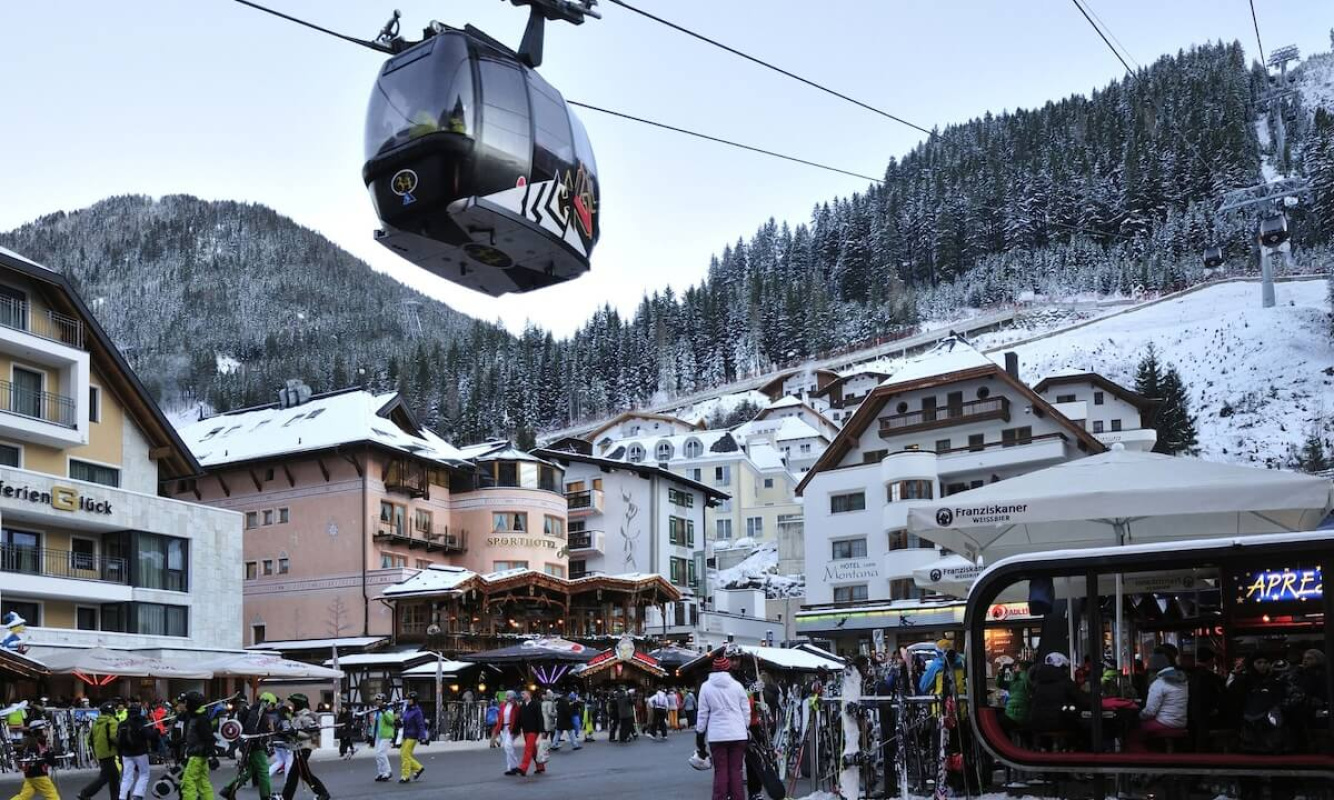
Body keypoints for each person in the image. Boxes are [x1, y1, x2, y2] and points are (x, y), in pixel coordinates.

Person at [696, 656, 749, 800]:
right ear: (728, 668)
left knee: (721, 771)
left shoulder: (706, 687)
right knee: (736, 771)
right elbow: (746, 709)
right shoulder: (737, 686)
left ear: (713, 669)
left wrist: (700, 735)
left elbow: (702, 714)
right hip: (738, 734)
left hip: (717, 735)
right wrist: (745, 727)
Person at [1231, 652, 1302, 754]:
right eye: (1259, 662)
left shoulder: (1275, 679)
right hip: (1250, 715)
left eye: (1265, 662)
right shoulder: (1244, 680)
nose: (1263, 665)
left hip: (1270, 713)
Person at [1127, 652, 1189, 751]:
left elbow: (1150, 711)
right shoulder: (1183, 681)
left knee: (1133, 733)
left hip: (1165, 723)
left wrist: (1138, 716)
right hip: (1181, 722)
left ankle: (1142, 761)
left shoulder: (1159, 683)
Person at [221, 692, 276, 800]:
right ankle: (265, 796)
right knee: (263, 770)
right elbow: (251, 727)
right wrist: (256, 740)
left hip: (253, 744)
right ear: (267, 702)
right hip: (256, 745)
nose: (272, 708)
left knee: (250, 770)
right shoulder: (258, 711)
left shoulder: (256, 710)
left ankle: (228, 789)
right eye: (272, 705)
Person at [280, 694, 330, 800]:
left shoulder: (307, 716)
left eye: (294, 704)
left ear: (299, 704)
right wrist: (285, 733)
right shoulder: (296, 716)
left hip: (305, 747)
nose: (292, 706)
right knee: (304, 774)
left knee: (294, 774)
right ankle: (323, 793)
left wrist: (295, 733)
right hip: (297, 748)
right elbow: (292, 732)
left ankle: (286, 797)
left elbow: (312, 734)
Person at [1026, 652, 1088, 735]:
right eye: (1065, 668)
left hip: (1036, 723)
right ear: (1061, 667)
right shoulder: (1064, 680)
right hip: (1060, 722)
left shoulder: (1036, 682)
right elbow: (1081, 699)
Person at [178, 692, 216, 800]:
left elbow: (208, 737)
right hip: (200, 755)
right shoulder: (196, 716)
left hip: (197, 755)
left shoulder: (200, 719)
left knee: (187, 781)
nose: (185, 705)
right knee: (202, 783)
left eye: (186, 702)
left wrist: (212, 755)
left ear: (191, 703)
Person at [78, 702, 120, 800]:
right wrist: (120, 745)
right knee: (105, 778)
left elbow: (89, 739)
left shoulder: (96, 722)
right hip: (109, 753)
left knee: (114, 777)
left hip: (100, 753)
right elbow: (113, 737)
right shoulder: (112, 721)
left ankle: (115, 798)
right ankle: (85, 793)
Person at [118, 701, 159, 800]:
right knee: (144, 774)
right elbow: (149, 735)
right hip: (140, 752)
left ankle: (122, 797)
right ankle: (137, 795)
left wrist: (120, 755)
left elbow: (119, 740)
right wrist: (156, 731)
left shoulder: (122, 724)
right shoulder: (141, 722)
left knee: (126, 777)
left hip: (126, 753)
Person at [12, 719, 60, 800]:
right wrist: (51, 757)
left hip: (30, 775)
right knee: (52, 795)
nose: (47, 731)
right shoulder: (36, 744)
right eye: (44, 729)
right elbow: (46, 759)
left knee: (24, 796)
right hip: (39, 774)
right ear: (38, 731)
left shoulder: (32, 742)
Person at [514, 690, 546, 776]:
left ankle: (523, 768)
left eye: (523, 694)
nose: (522, 695)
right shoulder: (522, 706)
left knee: (528, 749)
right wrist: (517, 729)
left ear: (529, 694)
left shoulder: (536, 704)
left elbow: (540, 717)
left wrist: (542, 730)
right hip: (525, 730)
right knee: (532, 750)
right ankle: (540, 766)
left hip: (533, 730)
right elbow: (520, 719)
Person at [397, 692, 426, 783]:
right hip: (405, 734)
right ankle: (418, 767)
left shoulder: (417, 711)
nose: (408, 700)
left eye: (410, 699)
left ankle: (405, 776)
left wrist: (422, 737)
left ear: (414, 700)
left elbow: (421, 724)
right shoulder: (407, 709)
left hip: (413, 736)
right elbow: (404, 720)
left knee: (405, 755)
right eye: (408, 699)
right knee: (403, 754)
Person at [370, 694, 396, 782]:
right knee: (377, 755)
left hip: (386, 734)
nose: (377, 702)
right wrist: (371, 735)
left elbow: (391, 721)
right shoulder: (377, 711)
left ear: (383, 701)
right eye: (377, 700)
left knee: (381, 753)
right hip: (378, 735)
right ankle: (381, 772)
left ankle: (388, 772)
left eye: (379, 700)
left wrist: (384, 711)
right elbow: (374, 724)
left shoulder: (388, 710)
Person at [495, 691, 521, 775]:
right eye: (506, 695)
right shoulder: (503, 705)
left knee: (508, 746)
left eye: (508, 696)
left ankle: (515, 765)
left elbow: (518, 719)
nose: (506, 697)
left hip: (512, 728)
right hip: (504, 728)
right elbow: (500, 718)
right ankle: (510, 767)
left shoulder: (516, 706)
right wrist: (498, 730)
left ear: (512, 697)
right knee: (507, 748)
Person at [1003, 658, 1032, 731]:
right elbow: (1001, 684)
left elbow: (1028, 685)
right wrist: (1000, 674)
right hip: (1011, 713)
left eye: (1016, 666)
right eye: (1013, 666)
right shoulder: (1014, 680)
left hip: (1018, 715)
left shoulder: (1026, 678)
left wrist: (1021, 672)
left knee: (997, 723)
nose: (1013, 667)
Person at [267, 701, 294, 781]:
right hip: (284, 742)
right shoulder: (284, 718)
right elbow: (287, 730)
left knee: (280, 760)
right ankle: (288, 780)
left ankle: (265, 776)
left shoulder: (273, 717)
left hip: (275, 741)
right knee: (289, 761)